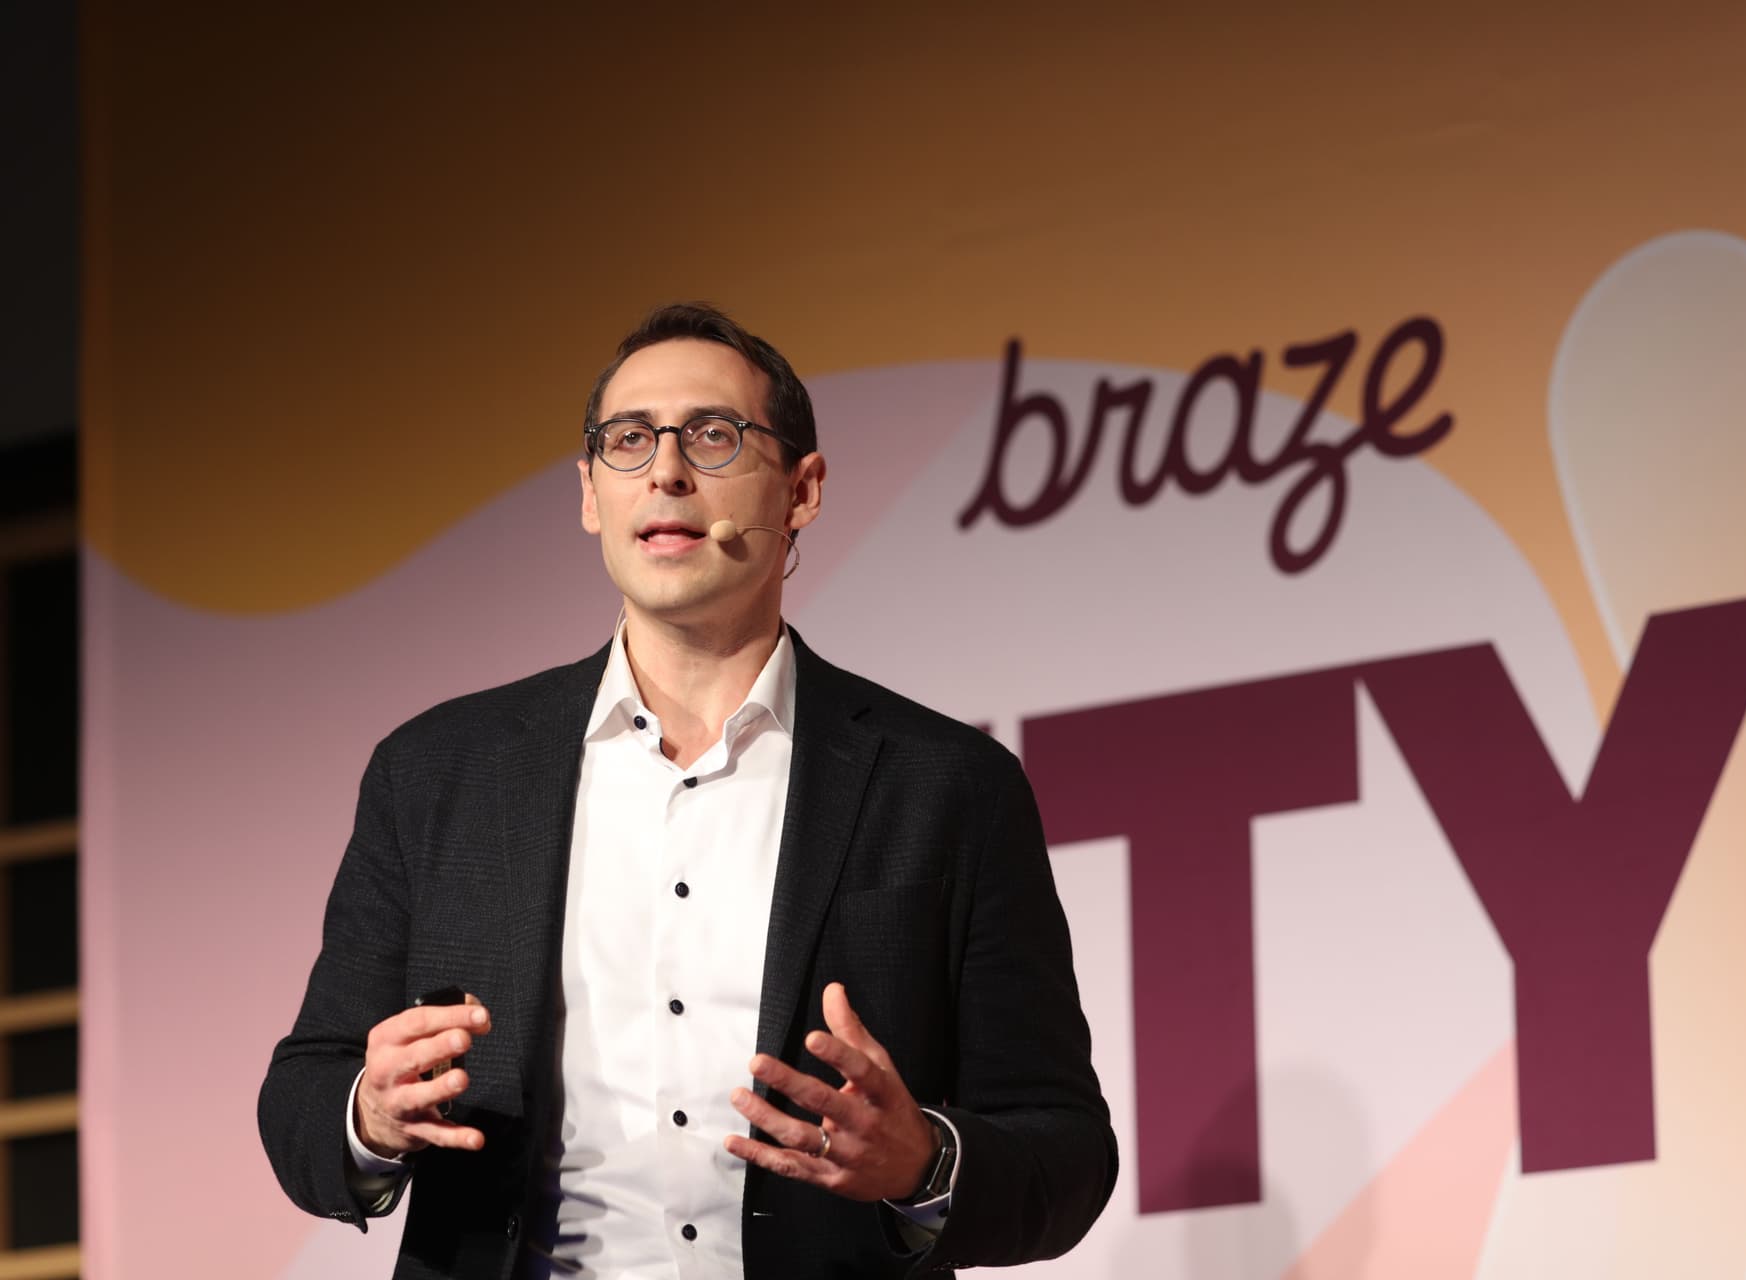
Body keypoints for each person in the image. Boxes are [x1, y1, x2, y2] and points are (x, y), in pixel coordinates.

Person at [258, 302, 1117, 1279]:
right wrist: (368, 1112)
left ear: (803, 486)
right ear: (590, 494)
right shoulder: (437, 773)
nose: (665, 469)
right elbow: (302, 1094)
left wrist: (921, 1159)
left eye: (713, 434)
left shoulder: (947, 787)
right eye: (628, 440)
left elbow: (1065, 1152)